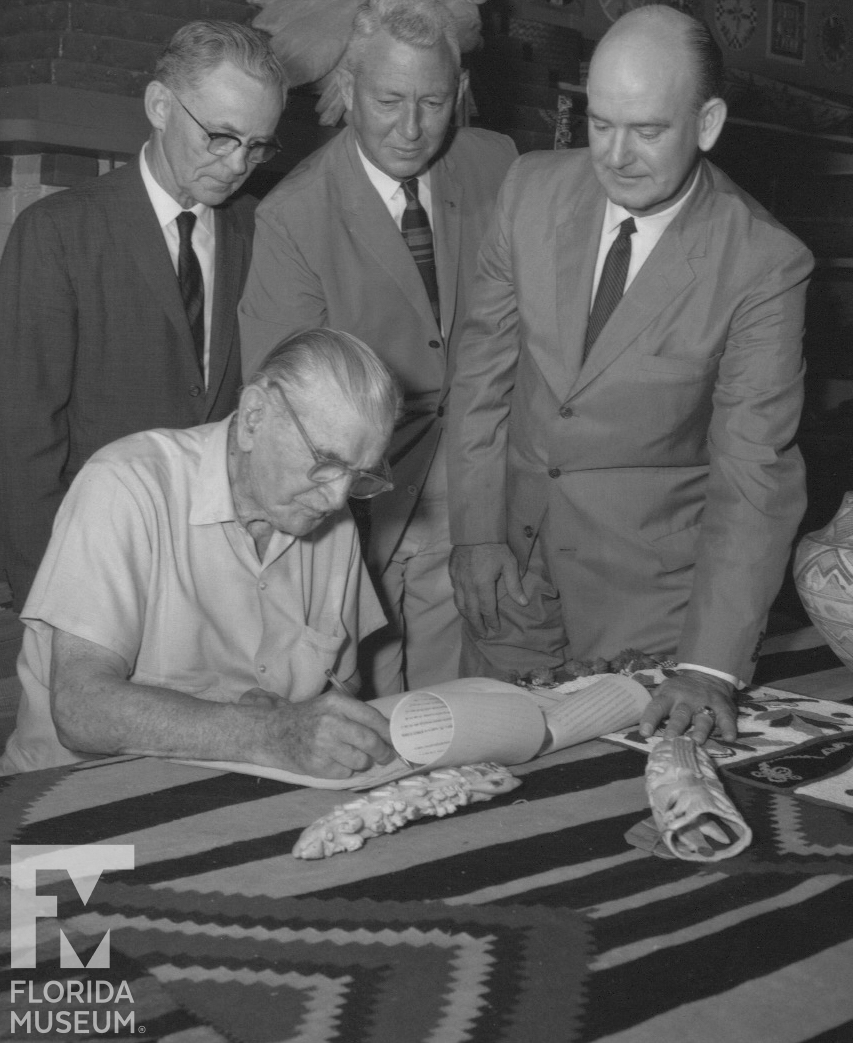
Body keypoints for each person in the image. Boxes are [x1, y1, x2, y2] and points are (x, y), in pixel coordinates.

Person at [447, 4, 813, 744]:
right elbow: (481, 375)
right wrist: (476, 534)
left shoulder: (764, 264)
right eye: (599, 124)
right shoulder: (529, 190)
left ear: (706, 124)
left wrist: (708, 666)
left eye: (647, 131)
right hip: (509, 576)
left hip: (647, 606)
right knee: (477, 780)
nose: (615, 156)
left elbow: (753, 475)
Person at [239, 0, 517, 697]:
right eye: (389, 100)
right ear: (347, 88)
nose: (412, 128)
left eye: (433, 102)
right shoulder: (292, 218)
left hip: (482, 495)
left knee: (461, 712)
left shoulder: (499, 164)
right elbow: (286, 416)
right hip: (360, 511)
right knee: (372, 711)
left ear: (459, 92)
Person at [0, 328, 401, 777]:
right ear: (254, 417)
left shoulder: (331, 519)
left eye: (359, 475)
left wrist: (292, 721)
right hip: (68, 793)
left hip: (237, 785)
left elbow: (343, 682)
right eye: (325, 463)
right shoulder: (126, 485)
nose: (337, 497)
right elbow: (81, 710)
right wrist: (265, 731)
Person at [0, 20, 288, 612]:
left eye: (258, 145)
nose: (238, 163)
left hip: (223, 574)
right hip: (94, 563)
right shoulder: (58, 233)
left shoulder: (262, 229)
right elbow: (23, 440)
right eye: (221, 136)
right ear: (160, 106)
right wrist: (48, 600)